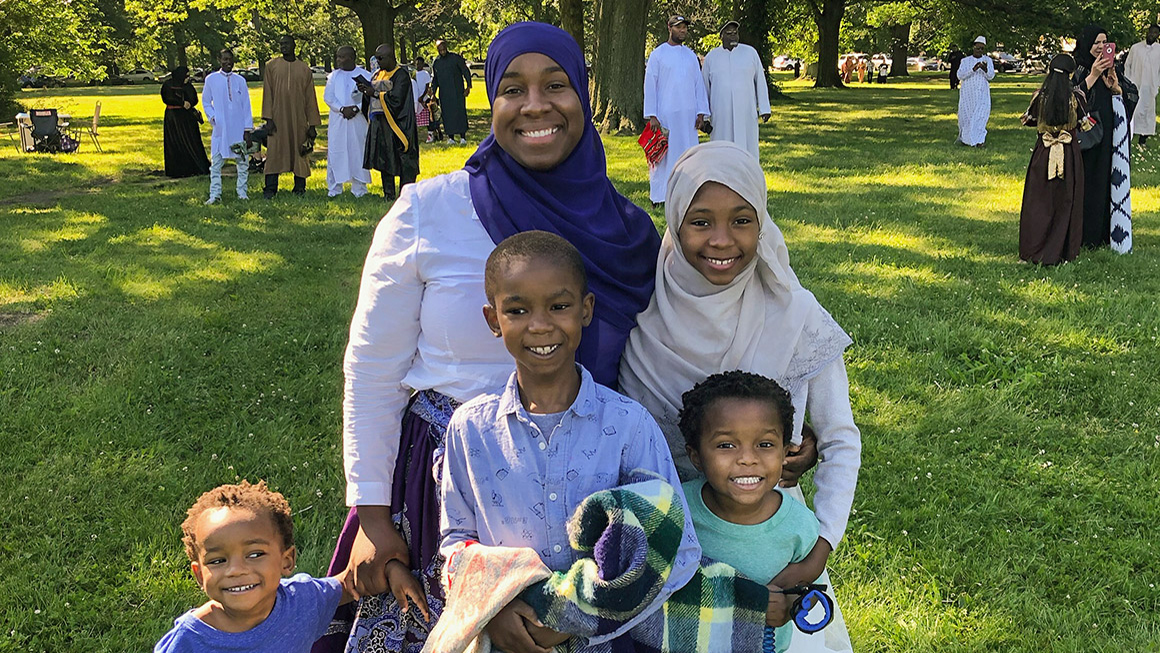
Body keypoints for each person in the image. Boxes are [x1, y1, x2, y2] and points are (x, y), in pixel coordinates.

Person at [311, 22, 661, 653]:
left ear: (583, 95)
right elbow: (372, 367)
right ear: (490, 103)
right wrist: (370, 512)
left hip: (585, 486)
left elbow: (664, 354)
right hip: (446, 492)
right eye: (512, 88)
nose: (535, 105)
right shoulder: (428, 210)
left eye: (556, 85)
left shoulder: (627, 234)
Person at [620, 141, 860, 652]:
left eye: (743, 220)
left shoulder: (796, 314)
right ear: (675, 222)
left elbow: (841, 438)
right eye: (700, 221)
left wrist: (818, 552)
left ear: (763, 223)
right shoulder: (641, 318)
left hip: (774, 551)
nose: (722, 240)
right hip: (675, 557)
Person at [439, 231, 700, 652]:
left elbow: (676, 549)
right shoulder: (470, 430)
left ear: (586, 309)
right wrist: (495, 612)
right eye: (518, 310)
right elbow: (456, 543)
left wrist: (577, 620)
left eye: (559, 307)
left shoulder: (629, 426)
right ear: (493, 320)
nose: (540, 325)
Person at [678, 371, 819, 653]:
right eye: (726, 445)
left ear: (784, 452)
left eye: (765, 445)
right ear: (696, 457)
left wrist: (790, 605)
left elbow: (810, 586)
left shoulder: (798, 524)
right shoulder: (679, 511)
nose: (747, 459)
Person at [154, 481, 356, 652]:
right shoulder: (188, 641)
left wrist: (386, 564)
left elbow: (352, 583)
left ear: (287, 560)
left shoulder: (303, 601)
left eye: (255, 554)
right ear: (199, 574)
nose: (236, 570)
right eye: (218, 561)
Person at [1019, 54, 1087, 265]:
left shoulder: (1039, 97)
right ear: (1071, 73)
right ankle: (1064, 251)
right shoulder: (1077, 97)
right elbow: (1086, 124)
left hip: (1044, 152)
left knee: (1039, 200)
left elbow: (1029, 121)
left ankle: (1033, 249)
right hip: (1069, 154)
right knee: (1066, 200)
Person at [1074, 24, 1137, 252]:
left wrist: (1116, 89)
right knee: (1091, 182)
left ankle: (1108, 233)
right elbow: (1072, 100)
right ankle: (1087, 235)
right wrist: (1093, 75)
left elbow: (1132, 94)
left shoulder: (1114, 69)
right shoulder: (1080, 69)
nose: (1101, 47)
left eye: (1104, 42)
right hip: (1090, 138)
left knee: (1109, 181)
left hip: (1111, 135)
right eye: (1096, 42)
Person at [644, 15, 710, 206]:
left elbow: (698, 85)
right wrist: (652, 115)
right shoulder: (658, 54)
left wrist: (700, 113)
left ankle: (689, 193)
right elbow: (650, 85)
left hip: (688, 118)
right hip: (665, 116)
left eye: (684, 28)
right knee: (663, 158)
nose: (682, 30)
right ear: (670, 28)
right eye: (679, 27)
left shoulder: (690, 56)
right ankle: (659, 196)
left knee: (688, 155)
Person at [701, 20, 771, 161]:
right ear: (721, 37)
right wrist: (705, 117)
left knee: (747, 147)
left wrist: (764, 108)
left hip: (745, 111)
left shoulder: (750, 53)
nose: (733, 37)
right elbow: (704, 89)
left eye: (735, 33)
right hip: (721, 114)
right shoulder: (711, 57)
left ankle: (748, 178)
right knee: (721, 150)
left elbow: (760, 81)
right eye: (729, 34)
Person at [262, 35, 321, 199]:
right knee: (274, 152)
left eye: (286, 44)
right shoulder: (271, 66)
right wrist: (268, 119)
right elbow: (267, 94)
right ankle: (270, 189)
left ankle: (300, 188)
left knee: (299, 152)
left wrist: (313, 125)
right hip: (277, 118)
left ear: (294, 45)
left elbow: (310, 98)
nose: (283, 47)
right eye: (281, 44)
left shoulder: (304, 69)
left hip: (298, 118)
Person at [357, 44, 419, 201]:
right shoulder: (378, 74)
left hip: (397, 124)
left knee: (403, 159)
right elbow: (370, 95)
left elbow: (397, 99)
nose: (377, 61)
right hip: (380, 124)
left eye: (380, 58)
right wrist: (365, 90)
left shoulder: (401, 75)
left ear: (391, 57)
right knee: (384, 159)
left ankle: (406, 194)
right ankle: (388, 194)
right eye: (376, 58)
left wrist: (376, 93)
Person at [202, 49, 252, 204]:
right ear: (219, 60)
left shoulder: (240, 81)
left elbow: (246, 105)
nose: (228, 62)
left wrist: (247, 129)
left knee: (242, 163)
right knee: (216, 164)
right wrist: (213, 117)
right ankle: (215, 194)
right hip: (220, 129)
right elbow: (205, 102)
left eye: (230, 59)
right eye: (225, 59)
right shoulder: (212, 79)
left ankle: (242, 192)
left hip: (238, 128)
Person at [324, 46, 372, 198]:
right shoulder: (332, 77)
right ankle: (334, 189)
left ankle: (359, 189)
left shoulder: (365, 75)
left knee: (358, 151)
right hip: (338, 120)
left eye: (342, 57)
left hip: (358, 121)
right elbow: (328, 98)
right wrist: (342, 109)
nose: (338, 60)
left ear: (351, 58)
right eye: (337, 57)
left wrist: (356, 109)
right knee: (335, 151)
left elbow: (369, 97)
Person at [160, 66, 210, 178]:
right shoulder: (168, 85)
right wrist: (181, 102)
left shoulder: (188, 86)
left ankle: (195, 166)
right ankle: (177, 169)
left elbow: (194, 98)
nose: (187, 78)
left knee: (192, 141)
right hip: (173, 117)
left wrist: (189, 103)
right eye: (186, 76)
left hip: (187, 118)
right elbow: (167, 97)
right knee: (175, 142)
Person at [430, 39, 472, 144]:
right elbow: (435, 79)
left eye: (444, 49)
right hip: (444, 93)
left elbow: (465, 71)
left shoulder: (455, 58)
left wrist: (468, 86)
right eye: (440, 50)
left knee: (460, 113)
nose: (443, 52)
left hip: (457, 91)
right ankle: (451, 137)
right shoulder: (437, 62)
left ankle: (463, 137)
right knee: (447, 115)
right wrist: (433, 93)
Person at [956, 36, 994, 147]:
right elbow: (960, 75)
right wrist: (974, 69)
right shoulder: (965, 61)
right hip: (968, 94)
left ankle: (979, 140)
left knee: (981, 116)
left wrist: (984, 69)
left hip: (982, 94)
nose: (980, 51)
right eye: (978, 48)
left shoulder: (988, 60)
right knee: (967, 116)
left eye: (982, 49)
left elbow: (991, 76)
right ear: (973, 47)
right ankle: (967, 140)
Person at [1125, 24, 1160, 145]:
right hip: (1135, 83)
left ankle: (1143, 138)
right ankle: (1130, 134)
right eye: (1150, 32)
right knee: (1134, 110)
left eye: (1155, 33)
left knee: (1146, 111)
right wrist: (1128, 81)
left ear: (1158, 35)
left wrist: (1157, 85)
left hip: (1150, 86)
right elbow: (1128, 65)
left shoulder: (1159, 50)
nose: (1152, 34)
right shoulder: (1136, 48)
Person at [412, 57, 433, 143]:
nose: (418, 65)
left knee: (428, 118)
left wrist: (422, 96)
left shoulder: (425, 73)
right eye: (416, 64)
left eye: (419, 63)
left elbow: (427, 86)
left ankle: (431, 134)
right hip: (416, 99)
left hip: (424, 99)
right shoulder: (413, 74)